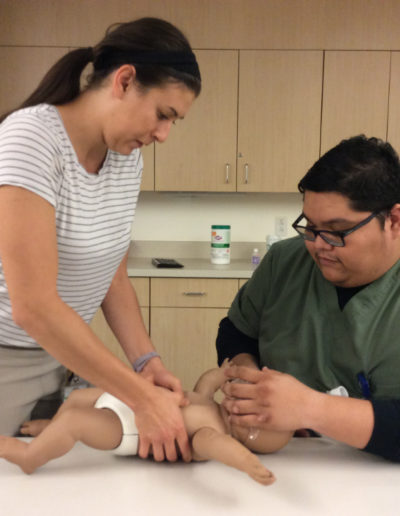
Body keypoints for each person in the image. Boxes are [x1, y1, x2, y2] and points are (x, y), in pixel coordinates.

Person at [0, 17, 201, 463]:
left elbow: (111, 275)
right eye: (163, 115)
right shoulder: (32, 138)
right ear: (125, 80)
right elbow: (32, 306)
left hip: (65, 355)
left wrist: (146, 362)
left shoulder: (126, 158)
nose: (164, 135)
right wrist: (141, 399)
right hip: (8, 360)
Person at [216, 135, 400, 462]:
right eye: (310, 226)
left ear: (394, 220)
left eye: (337, 230)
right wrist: (249, 382)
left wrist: (307, 409)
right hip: (284, 463)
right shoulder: (285, 262)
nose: (318, 244)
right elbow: (236, 332)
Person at [0, 360, 292, 484]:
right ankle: (51, 429)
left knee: (77, 421)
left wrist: (247, 464)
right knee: (76, 401)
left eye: (250, 413)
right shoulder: (211, 405)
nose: (241, 402)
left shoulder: (210, 435)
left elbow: (219, 448)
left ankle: (30, 457)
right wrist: (225, 373)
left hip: (129, 430)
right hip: (133, 402)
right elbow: (206, 382)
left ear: (248, 435)